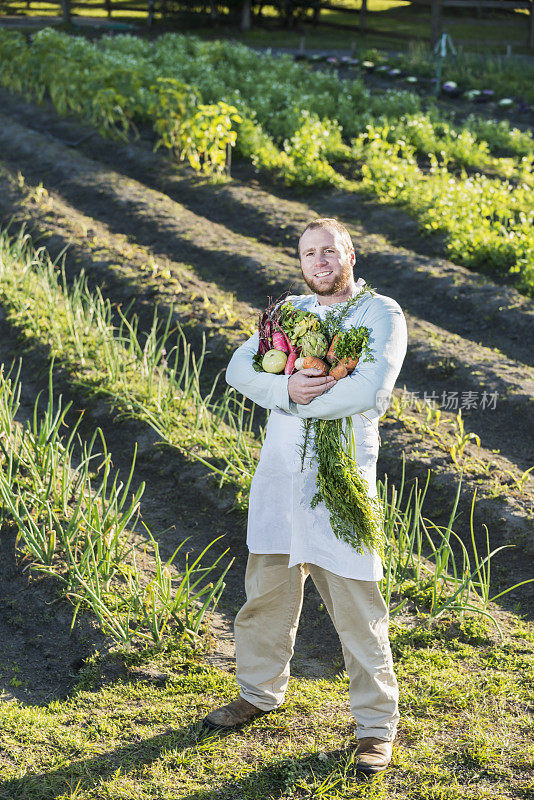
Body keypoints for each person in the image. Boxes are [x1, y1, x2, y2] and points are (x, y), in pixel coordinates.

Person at [203, 217, 408, 776]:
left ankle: (374, 727)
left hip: (338, 480)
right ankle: (258, 692)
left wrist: (290, 401)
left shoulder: (379, 313)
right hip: (278, 477)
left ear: (350, 255)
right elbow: (237, 369)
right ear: (299, 263)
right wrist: (283, 387)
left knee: (357, 606)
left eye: (328, 251)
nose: (318, 262)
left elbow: (370, 390)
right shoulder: (289, 311)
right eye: (308, 254)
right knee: (264, 593)